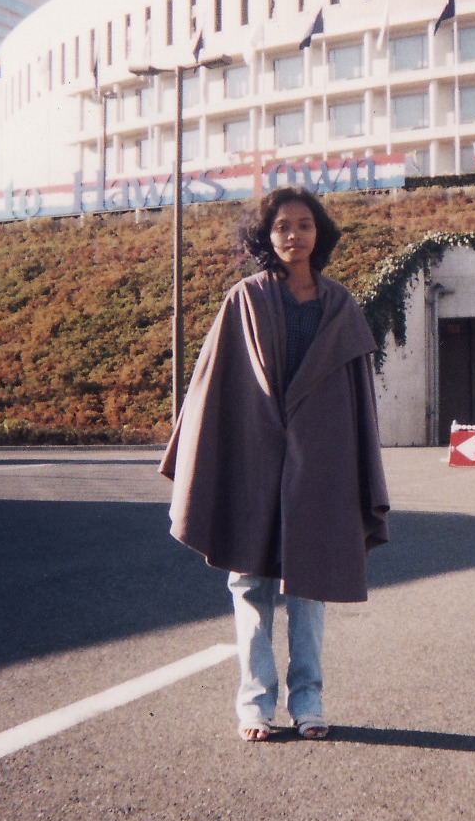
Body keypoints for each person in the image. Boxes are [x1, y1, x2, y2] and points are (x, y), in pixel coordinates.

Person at [160, 187, 389, 742]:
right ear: (266, 236)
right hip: (254, 458)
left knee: (309, 585)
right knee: (250, 581)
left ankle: (308, 701)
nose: (294, 235)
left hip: (319, 463)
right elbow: (213, 383)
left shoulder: (341, 306)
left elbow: (357, 400)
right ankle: (255, 704)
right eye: (282, 226)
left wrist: (353, 464)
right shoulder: (244, 299)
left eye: (304, 225)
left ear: (319, 233)